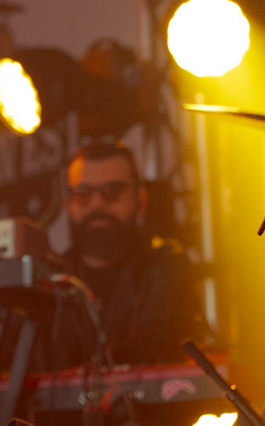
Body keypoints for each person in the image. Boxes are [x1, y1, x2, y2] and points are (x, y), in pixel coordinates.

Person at [44, 140, 202, 370]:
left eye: (112, 192)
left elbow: (158, 342)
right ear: (67, 204)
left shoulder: (166, 265)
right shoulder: (48, 280)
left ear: (141, 201)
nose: (97, 205)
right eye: (83, 194)